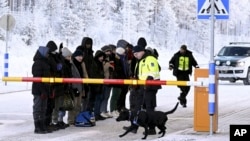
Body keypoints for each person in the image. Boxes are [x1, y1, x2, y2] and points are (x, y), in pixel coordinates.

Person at [32, 46, 52, 134]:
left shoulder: (45, 62)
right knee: (38, 108)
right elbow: (37, 78)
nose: (48, 55)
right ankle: (37, 126)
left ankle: (42, 125)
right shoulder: (37, 63)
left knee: (44, 108)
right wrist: (42, 91)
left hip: (45, 89)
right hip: (38, 90)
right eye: (47, 53)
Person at [67, 49, 86, 125]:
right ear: (75, 56)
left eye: (81, 56)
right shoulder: (72, 65)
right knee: (73, 105)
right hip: (74, 87)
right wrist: (74, 88)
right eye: (79, 56)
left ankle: (77, 119)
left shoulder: (80, 64)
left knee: (78, 105)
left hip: (80, 87)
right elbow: (71, 77)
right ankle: (71, 120)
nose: (80, 58)